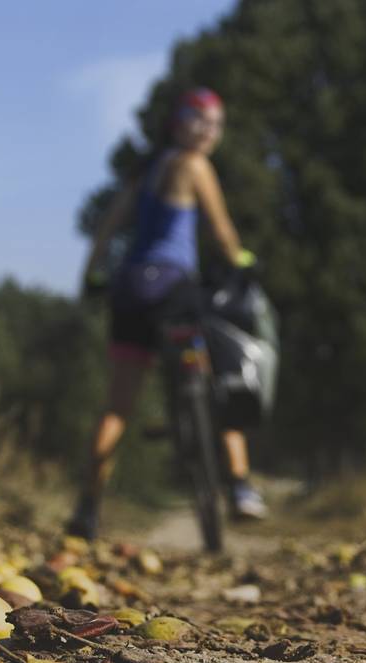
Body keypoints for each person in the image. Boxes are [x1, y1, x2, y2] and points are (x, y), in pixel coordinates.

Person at [67, 87, 266, 542]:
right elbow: (221, 230)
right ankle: (239, 485)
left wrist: (93, 276)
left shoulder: (142, 173)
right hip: (174, 286)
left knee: (118, 407)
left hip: (130, 287)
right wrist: (242, 260)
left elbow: (106, 232)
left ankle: (87, 506)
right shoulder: (194, 164)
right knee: (220, 375)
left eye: (216, 123)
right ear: (178, 123)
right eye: (202, 120)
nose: (210, 130)